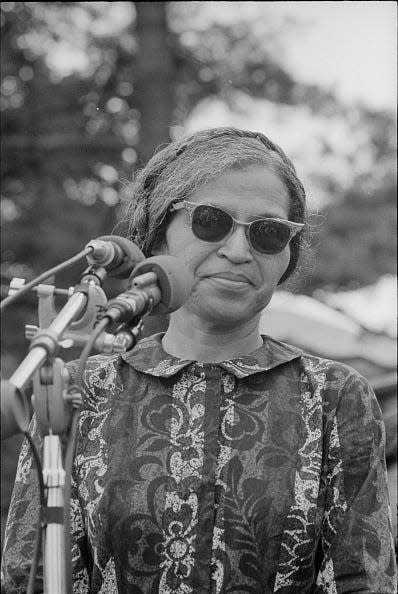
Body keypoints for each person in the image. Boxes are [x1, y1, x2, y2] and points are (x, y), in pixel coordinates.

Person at [2, 127, 396, 593]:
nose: (237, 251)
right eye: (211, 221)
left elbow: (361, 581)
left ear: (286, 256)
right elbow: (28, 578)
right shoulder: (78, 388)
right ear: (158, 234)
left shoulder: (335, 395)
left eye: (267, 233)